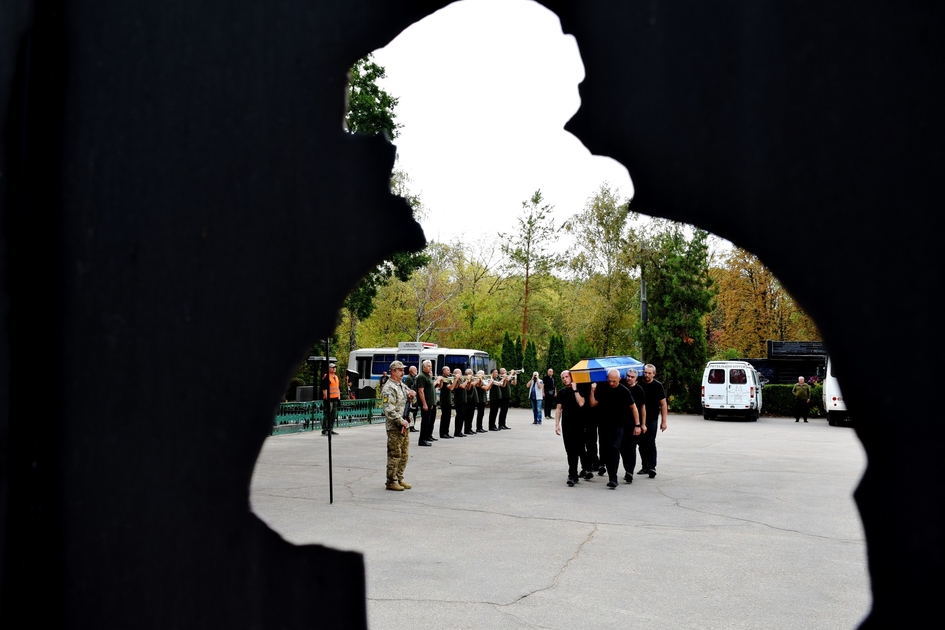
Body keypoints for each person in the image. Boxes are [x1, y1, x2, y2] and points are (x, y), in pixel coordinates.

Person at [589, 368, 641, 488]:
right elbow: (593, 404)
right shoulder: (602, 388)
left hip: (618, 425)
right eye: (610, 381)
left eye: (614, 381)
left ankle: (613, 478)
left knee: (614, 448)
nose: (611, 383)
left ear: (619, 379)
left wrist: (637, 425)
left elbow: (634, 408)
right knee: (606, 450)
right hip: (603, 425)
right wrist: (592, 391)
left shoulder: (624, 391)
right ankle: (611, 475)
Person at [382, 361, 414, 491]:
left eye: (403, 370)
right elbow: (388, 408)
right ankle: (391, 481)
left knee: (404, 454)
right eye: (400, 370)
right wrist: (400, 421)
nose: (403, 372)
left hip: (405, 424)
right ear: (393, 372)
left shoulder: (402, 385)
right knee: (395, 454)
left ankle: (399, 477)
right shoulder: (388, 388)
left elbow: (410, 401)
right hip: (395, 426)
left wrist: (413, 396)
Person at [554, 370, 587, 486]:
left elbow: (581, 403)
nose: (565, 379)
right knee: (570, 450)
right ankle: (572, 474)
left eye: (567, 376)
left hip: (580, 424)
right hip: (567, 424)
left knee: (579, 449)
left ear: (571, 377)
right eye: (563, 378)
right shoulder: (562, 392)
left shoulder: (580, 389)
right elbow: (558, 409)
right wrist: (557, 424)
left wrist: (575, 390)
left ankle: (583, 469)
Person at [638, 363, 668, 478]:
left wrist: (664, 422)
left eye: (649, 373)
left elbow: (663, 404)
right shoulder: (638, 383)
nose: (646, 375)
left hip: (652, 419)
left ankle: (652, 467)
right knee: (641, 443)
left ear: (654, 374)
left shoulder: (657, 386)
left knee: (650, 442)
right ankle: (644, 466)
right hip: (639, 419)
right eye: (645, 372)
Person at [620, 368, 647, 483]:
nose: (629, 378)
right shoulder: (621, 387)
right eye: (628, 376)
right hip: (621, 422)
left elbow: (642, 408)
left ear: (636, 379)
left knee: (631, 448)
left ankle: (629, 471)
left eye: (632, 377)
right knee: (622, 448)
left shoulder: (639, 390)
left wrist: (642, 424)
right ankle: (627, 469)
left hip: (633, 423)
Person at [415, 360, 437, 446]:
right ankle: (422, 440)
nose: (430, 367)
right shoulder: (422, 376)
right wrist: (424, 404)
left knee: (428, 422)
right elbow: (420, 391)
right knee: (425, 422)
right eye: (428, 366)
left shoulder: (428, 376)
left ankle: (426, 438)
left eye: (431, 366)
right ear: (423, 367)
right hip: (426, 403)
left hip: (430, 403)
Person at [321, 362, 340, 436]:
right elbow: (324, 389)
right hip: (329, 399)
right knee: (327, 414)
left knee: (333, 415)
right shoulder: (327, 377)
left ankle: (330, 429)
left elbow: (337, 388)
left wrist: (339, 398)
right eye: (332, 367)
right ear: (329, 369)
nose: (334, 369)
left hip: (335, 399)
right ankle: (325, 430)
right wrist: (327, 398)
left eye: (335, 367)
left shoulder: (336, 377)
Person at [437, 366, 454, 439]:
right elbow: (451, 388)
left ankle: (446, 432)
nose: (449, 371)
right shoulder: (443, 379)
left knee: (448, 417)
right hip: (444, 400)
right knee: (444, 417)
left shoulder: (448, 378)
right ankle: (442, 433)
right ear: (444, 371)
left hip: (448, 401)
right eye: (448, 370)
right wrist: (456, 379)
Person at [403, 365, 419, 433]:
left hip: (414, 398)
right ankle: (411, 426)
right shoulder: (409, 378)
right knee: (411, 413)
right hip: (411, 398)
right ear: (411, 371)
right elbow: (405, 386)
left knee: (414, 412)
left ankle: (413, 426)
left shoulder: (414, 378)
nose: (417, 371)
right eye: (415, 370)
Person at [451, 368, 467, 438]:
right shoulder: (455, 380)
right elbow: (462, 386)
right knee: (459, 416)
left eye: (460, 373)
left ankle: (460, 431)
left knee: (462, 416)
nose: (460, 374)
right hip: (459, 400)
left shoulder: (461, 380)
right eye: (458, 373)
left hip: (464, 400)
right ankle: (457, 431)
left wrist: (468, 381)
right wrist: (467, 380)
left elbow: (467, 387)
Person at [463, 369, 478, 435]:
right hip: (468, 398)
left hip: (472, 399)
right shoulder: (465, 379)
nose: (472, 374)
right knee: (468, 415)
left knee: (471, 414)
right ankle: (467, 429)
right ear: (467, 374)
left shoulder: (471, 379)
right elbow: (472, 385)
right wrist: (478, 379)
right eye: (471, 373)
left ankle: (469, 428)